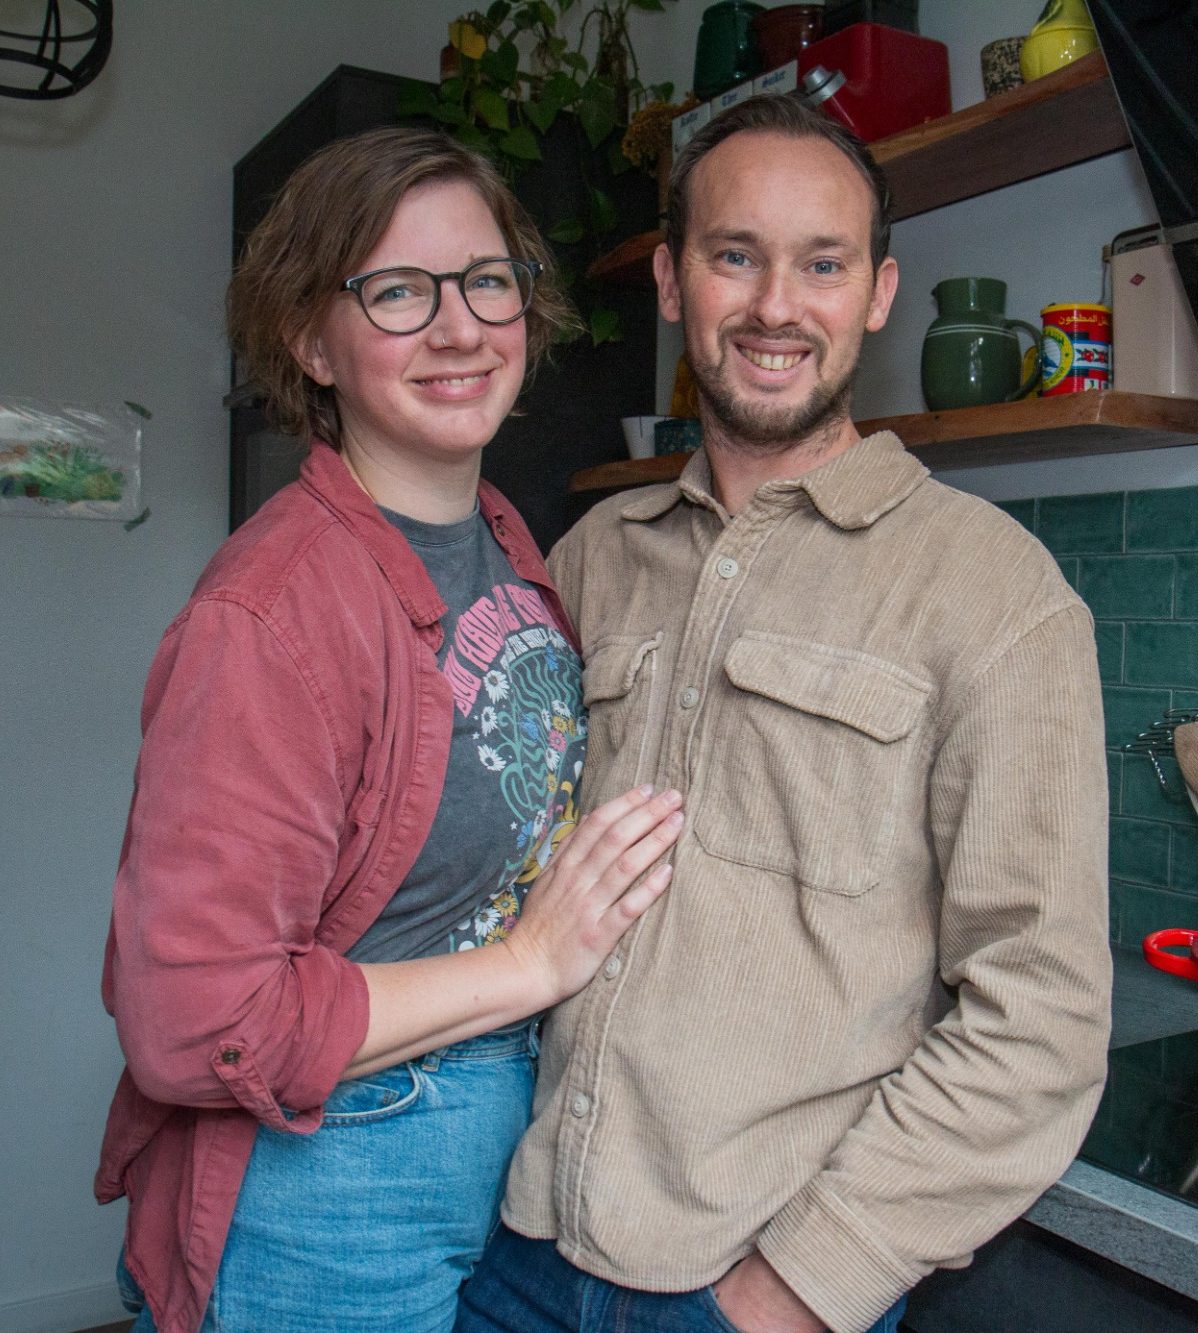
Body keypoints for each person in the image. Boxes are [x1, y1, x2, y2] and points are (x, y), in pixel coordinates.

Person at [457, 95, 1111, 1333]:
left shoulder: (993, 591)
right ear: (669, 280)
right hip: (521, 1244)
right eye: (733, 255)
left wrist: (797, 1292)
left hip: (746, 1281)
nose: (774, 306)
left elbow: (1042, 1013)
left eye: (821, 263)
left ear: (876, 292)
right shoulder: (592, 558)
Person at [95, 126, 684, 1333]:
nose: (461, 328)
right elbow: (195, 1026)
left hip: (500, 1138)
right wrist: (529, 963)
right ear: (313, 338)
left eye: (484, 280)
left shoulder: (511, 545)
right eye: (399, 291)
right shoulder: (265, 617)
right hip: (333, 1184)